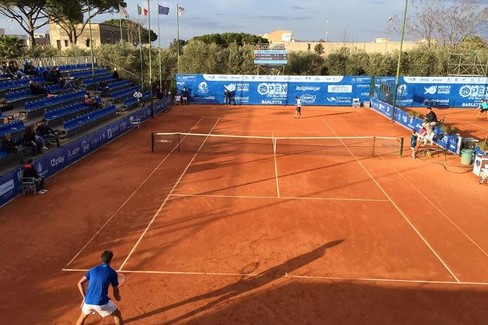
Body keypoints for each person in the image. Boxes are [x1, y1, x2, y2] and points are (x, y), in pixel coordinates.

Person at [76, 250, 123, 325]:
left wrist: (84, 298)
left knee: (82, 317)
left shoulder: (92, 269)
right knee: (117, 315)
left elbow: (80, 283)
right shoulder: (112, 272)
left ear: (102, 259)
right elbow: (115, 293)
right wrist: (118, 297)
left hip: (88, 302)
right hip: (101, 303)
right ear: (110, 260)